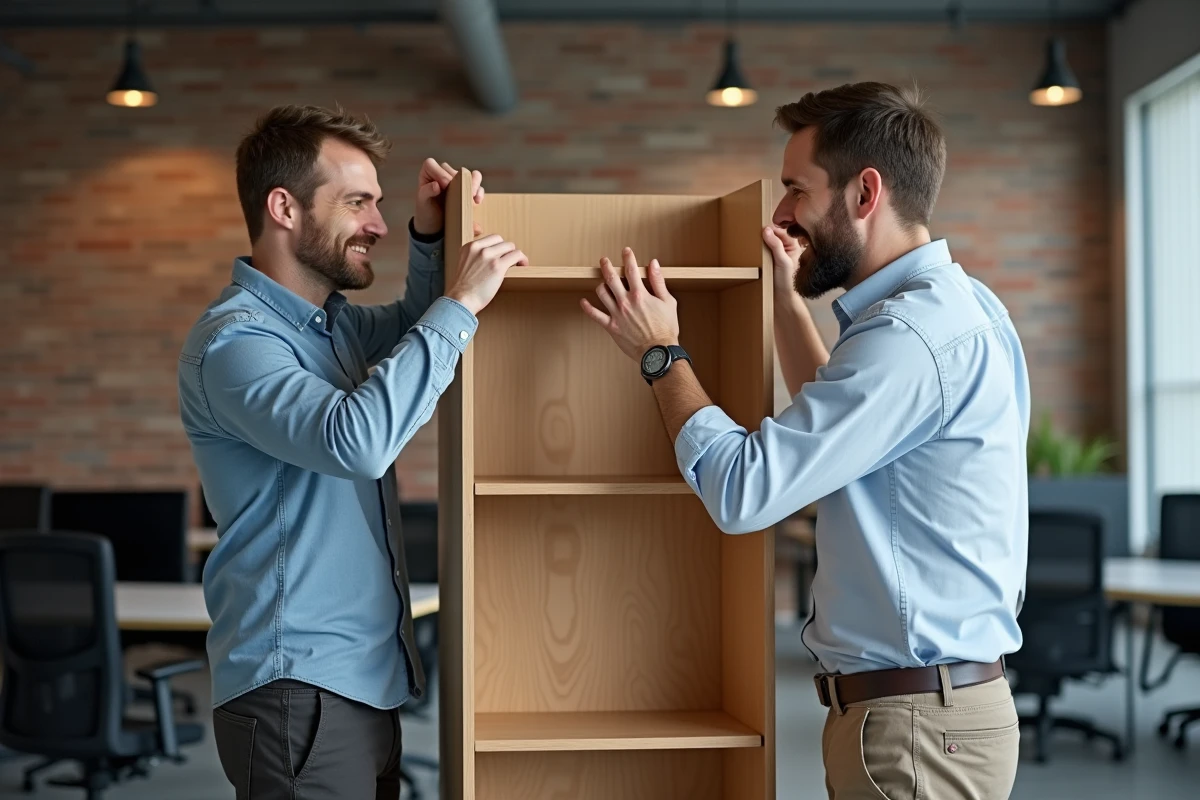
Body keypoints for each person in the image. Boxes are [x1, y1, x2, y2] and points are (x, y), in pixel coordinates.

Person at [581, 82, 1028, 800]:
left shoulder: (909, 338)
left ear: (864, 192)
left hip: (914, 729)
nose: (781, 212)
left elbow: (744, 491)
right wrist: (787, 300)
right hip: (927, 715)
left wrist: (661, 355)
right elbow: (845, 440)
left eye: (796, 188)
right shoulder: (956, 308)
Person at [178, 104, 526, 799]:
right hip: (297, 689)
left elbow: (408, 330)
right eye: (357, 203)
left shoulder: (324, 330)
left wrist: (430, 238)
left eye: (379, 204)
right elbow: (356, 441)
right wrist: (461, 303)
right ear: (284, 207)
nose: (375, 224)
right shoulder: (239, 344)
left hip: (357, 682)